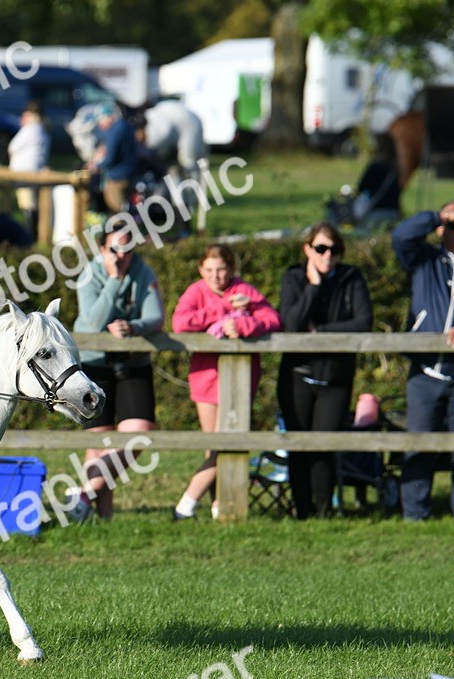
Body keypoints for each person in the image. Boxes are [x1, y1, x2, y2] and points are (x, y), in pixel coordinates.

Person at [171, 244, 282, 520]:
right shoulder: (196, 292)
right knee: (217, 446)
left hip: (241, 381)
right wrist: (221, 309)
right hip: (206, 378)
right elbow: (180, 323)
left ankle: (208, 506)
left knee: (228, 443)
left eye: (221, 269)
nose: (216, 276)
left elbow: (272, 319)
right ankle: (197, 506)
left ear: (232, 269)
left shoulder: (245, 291)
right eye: (209, 270)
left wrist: (246, 326)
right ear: (200, 270)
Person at [65, 227, 164, 522]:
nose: (122, 256)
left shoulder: (143, 272)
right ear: (101, 250)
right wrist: (114, 280)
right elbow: (92, 321)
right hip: (95, 364)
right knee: (99, 445)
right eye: (114, 250)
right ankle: (103, 519)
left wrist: (133, 328)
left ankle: (82, 496)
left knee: (138, 436)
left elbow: (155, 316)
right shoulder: (89, 274)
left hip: (133, 363)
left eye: (127, 250)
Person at [277, 223, 372, 519]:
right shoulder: (293, 277)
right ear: (308, 249)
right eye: (320, 248)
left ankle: (322, 512)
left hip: (336, 377)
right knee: (299, 444)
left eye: (334, 249)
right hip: (297, 376)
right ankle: (301, 511)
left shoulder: (350, 277)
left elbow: (363, 321)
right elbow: (292, 323)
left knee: (324, 445)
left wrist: (322, 331)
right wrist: (314, 287)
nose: (328, 255)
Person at [392, 205, 454, 520]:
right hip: (427, 371)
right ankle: (415, 515)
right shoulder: (426, 261)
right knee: (419, 444)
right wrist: (437, 216)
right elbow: (402, 236)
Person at [7, 102, 49, 236]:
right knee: (32, 202)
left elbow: (12, 147)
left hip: (26, 171)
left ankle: (30, 234)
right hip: (34, 170)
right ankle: (33, 232)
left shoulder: (31, 128)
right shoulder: (42, 129)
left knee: (28, 203)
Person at [91, 104, 140, 214]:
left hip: (117, 177)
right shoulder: (125, 126)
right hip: (129, 173)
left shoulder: (115, 131)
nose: (100, 125)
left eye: (100, 121)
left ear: (109, 117)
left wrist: (96, 166)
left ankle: (120, 230)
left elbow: (110, 158)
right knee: (126, 209)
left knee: (115, 211)